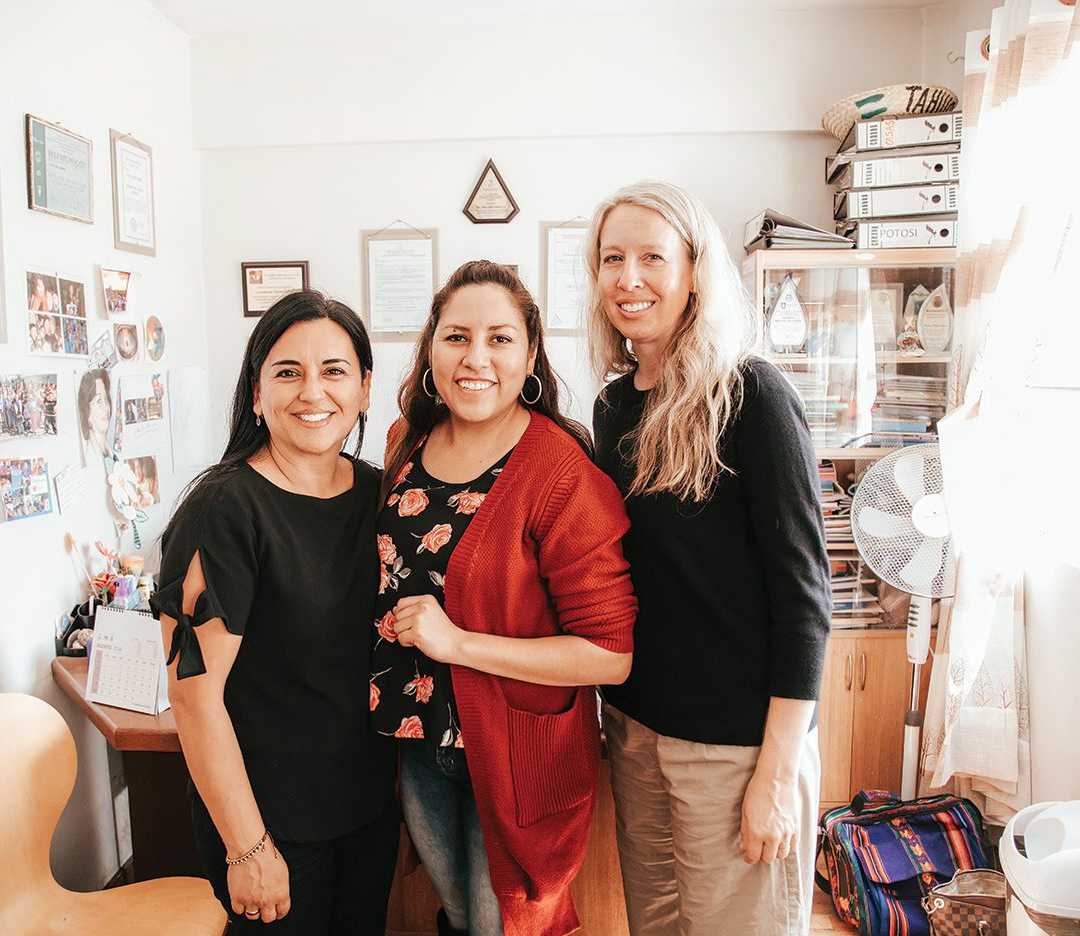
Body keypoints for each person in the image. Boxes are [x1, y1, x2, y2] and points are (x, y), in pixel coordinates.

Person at [585, 181, 831, 936]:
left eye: (652, 257)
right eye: (611, 258)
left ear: (695, 270)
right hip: (636, 731)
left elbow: (804, 600)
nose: (630, 278)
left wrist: (777, 776)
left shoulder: (752, 396)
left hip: (736, 746)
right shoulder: (614, 405)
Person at [372, 260, 636, 936]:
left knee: (511, 924)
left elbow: (610, 656)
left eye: (499, 338)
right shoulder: (407, 444)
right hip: (418, 738)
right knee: (461, 916)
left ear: (530, 355)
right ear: (431, 348)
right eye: (456, 336)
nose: (476, 357)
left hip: (517, 751)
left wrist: (457, 644)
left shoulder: (562, 474)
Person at [152, 290, 398, 935]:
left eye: (334, 371)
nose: (311, 391)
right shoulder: (224, 509)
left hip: (365, 809)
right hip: (269, 824)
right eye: (287, 372)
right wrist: (248, 847)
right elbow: (193, 700)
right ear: (256, 393)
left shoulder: (381, 493)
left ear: (366, 388)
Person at [77, 368, 114, 468]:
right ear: (87, 413)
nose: (106, 406)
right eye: (99, 401)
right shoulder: (91, 461)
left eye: (106, 398)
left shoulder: (108, 451)